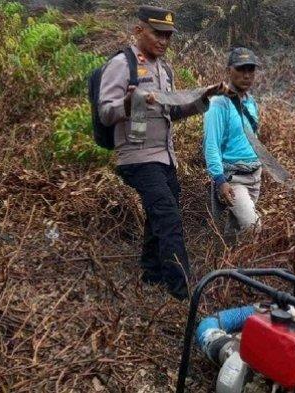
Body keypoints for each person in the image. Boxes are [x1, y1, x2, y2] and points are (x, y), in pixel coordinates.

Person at [99, 5, 224, 300]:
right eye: (158, 34)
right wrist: (128, 105)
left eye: (168, 36)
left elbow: (172, 111)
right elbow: (105, 112)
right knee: (168, 217)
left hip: (164, 156)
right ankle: (182, 291)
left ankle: (151, 272)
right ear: (139, 30)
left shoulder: (164, 70)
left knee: (161, 213)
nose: (164, 41)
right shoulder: (121, 64)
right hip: (137, 157)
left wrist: (201, 99)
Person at [203, 47, 262, 243]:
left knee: (234, 232)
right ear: (229, 70)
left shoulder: (251, 102)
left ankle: (230, 269)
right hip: (233, 178)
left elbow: (252, 138)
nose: (246, 75)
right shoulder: (219, 104)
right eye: (241, 69)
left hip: (254, 176)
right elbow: (211, 144)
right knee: (253, 226)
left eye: (250, 70)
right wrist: (220, 180)